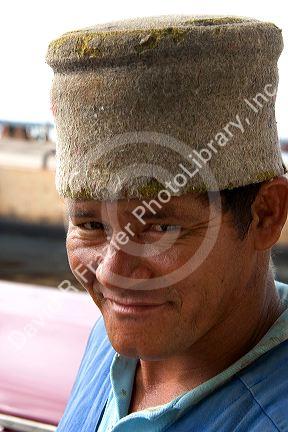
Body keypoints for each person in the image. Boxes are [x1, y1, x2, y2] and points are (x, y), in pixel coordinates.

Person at [46, 15, 288, 431]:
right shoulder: (113, 343)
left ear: (265, 214)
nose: (110, 272)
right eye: (90, 225)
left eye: (160, 228)